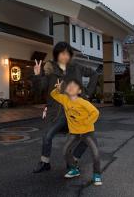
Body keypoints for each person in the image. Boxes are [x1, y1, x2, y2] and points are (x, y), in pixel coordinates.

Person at [32, 42, 98, 173]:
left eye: (67, 53)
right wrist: (37, 75)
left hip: (75, 111)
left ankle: (72, 161)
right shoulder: (50, 70)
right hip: (57, 112)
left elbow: (94, 74)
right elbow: (40, 89)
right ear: (56, 54)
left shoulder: (76, 67)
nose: (65, 56)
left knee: (87, 138)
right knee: (47, 136)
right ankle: (45, 162)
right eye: (61, 53)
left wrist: (87, 93)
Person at [51, 79, 102, 186]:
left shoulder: (82, 102)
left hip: (87, 132)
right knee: (65, 151)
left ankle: (97, 175)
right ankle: (74, 169)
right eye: (70, 86)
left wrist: (86, 122)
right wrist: (57, 88)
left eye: (74, 86)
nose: (71, 87)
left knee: (95, 153)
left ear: (78, 91)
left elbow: (95, 112)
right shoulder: (65, 99)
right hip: (74, 132)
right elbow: (53, 95)